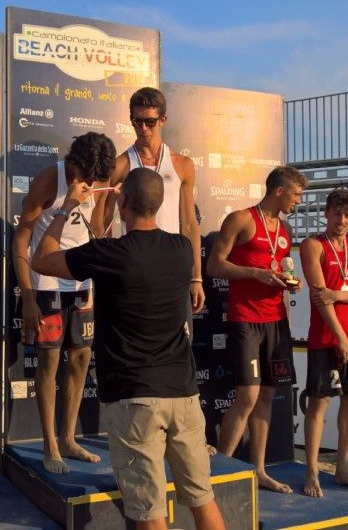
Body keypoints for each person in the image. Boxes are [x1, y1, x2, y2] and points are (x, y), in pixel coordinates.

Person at [32, 168, 226, 530]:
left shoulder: (109, 253)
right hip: (184, 396)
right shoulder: (182, 249)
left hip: (136, 400)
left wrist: (65, 208)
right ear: (160, 204)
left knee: (149, 512)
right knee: (203, 498)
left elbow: (42, 259)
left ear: (121, 203)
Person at [12, 132, 116, 473]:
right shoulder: (48, 179)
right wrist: (28, 295)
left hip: (82, 282)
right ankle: (50, 445)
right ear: (72, 161)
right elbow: (22, 239)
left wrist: (112, 208)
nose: (89, 183)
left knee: (82, 358)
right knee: (49, 362)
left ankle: (68, 438)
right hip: (45, 283)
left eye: (95, 178)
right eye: (85, 175)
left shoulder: (99, 178)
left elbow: (96, 228)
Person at [209, 165, 307, 493]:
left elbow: (280, 268)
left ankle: (259, 470)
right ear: (279, 190)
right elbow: (214, 265)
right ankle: (220, 472)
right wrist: (254, 273)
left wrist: (291, 283)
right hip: (245, 319)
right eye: (295, 194)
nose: (298, 201)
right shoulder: (241, 219)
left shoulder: (285, 228)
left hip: (276, 320)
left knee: (266, 395)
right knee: (247, 396)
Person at [93, 87, 204, 316]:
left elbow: (190, 224)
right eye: (137, 121)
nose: (143, 128)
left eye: (150, 122)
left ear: (163, 120)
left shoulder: (182, 164)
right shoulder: (120, 165)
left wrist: (196, 278)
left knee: (177, 336)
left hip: (172, 267)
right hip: (135, 268)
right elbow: (103, 225)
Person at [298, 188, 348, 498]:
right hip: (327, 337)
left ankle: (343, 467)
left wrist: (338, 294)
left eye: (347, 215)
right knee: (319, 402)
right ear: (326, 213)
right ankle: (312, 470)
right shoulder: (312, 245)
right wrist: (340, 337)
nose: (341, 220)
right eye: (336, 214)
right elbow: (320, 297)